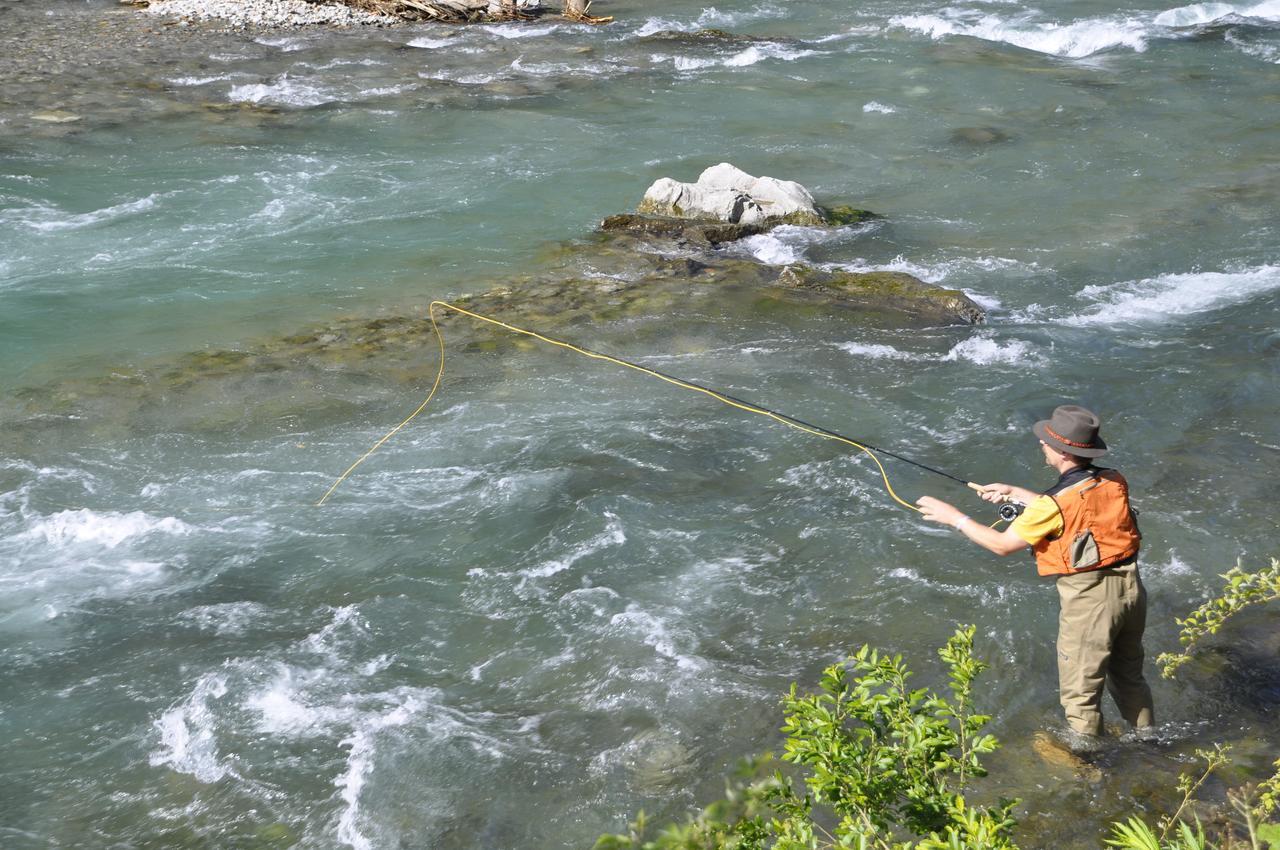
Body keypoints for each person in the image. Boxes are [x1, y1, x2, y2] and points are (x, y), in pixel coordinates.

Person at [915, 404, 1155, 744]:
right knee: (1128, 675)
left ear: (1060, 452)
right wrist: (1017, 494)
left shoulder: (1050, 505)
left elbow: (1002, 544)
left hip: (1091, 601)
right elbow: (1075, 508)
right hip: (1130, 589)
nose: (1041, 446)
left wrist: (954, 517)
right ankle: (1150, 743)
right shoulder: (1112, 479)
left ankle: (1088, 765)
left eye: (1045, 442)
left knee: (1080, 693)